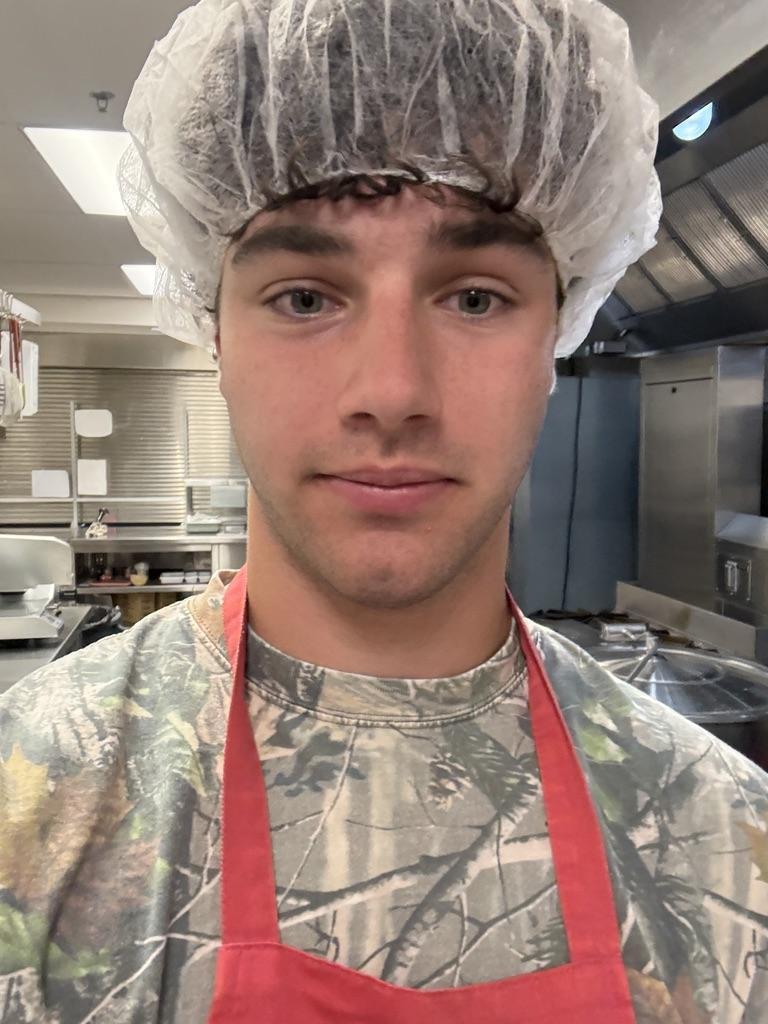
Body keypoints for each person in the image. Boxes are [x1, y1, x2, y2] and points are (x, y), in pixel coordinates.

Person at [1, 0, 766, 1021]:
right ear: (215, 339)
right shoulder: (29, 802)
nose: (393, 390)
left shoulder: (723, 842)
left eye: (476, 297)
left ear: (556, 339)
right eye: (306, 298)